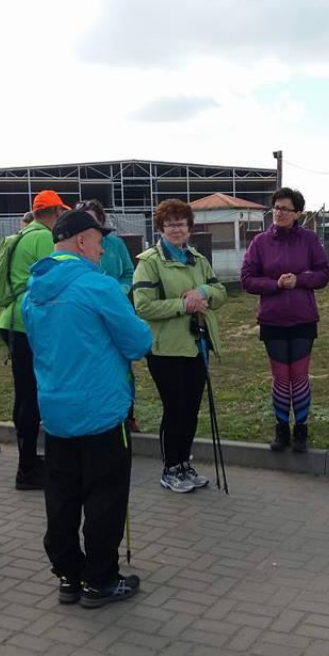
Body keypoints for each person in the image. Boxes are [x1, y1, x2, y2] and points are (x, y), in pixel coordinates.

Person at [23, 208, 153, 608]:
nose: (102, 249)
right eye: (99, 241)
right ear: (81, 241)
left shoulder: (33, 292)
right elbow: (138, 342)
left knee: (62, 496)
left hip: (56, 410)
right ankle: (100, 578)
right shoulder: (96, 286)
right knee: (105, 497)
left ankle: (68, 574)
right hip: (100, 410)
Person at [132, 198, 227, 493]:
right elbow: (142, 306)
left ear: (189, 228)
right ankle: (170, 468)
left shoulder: (198, 259)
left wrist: (201, 291)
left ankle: (185, 464)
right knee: (175, 409)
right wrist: (183, 305)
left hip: (197, 346)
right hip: (166, 349)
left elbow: (221, 293)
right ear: (161, 227)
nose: (177, 229)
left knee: (190, 409)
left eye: (181, 223)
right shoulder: (149, 262)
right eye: (170, 223)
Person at [240, 187, 329, 452]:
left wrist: (299, 280)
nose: (279, 213)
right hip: (273, 320)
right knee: (280, 377)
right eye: (276, 208)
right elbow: (247, 279)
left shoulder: (310, 240)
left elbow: (324, 273)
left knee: (299, 376)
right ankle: (282, 430)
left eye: (285, 209)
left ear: (297, 213)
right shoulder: (260, 242)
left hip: (303, 318)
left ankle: (301, 429)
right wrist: (276, 284)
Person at [0, 190, 69, 490]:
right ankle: (27, 469)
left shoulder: (24, 235)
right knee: (30, 397)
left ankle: (29, 460)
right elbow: (56, 281)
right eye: (61, 212)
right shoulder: (42, 239)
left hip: (14, 320)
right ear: (53, 212)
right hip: (28, 324)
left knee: (25, 394)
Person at [75, 199, 141, 432]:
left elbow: (128, 272)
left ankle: (128, 414)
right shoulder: (77, 249)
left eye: (94, 218)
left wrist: (117, 292)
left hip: (116, 310)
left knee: (124, 365)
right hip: (89, 315)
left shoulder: (115, 244)